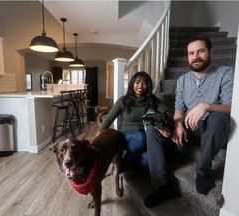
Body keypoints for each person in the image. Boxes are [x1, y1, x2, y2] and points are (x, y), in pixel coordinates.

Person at [97, 71, 175, 207]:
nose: (141, 86)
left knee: (148, 161)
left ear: (148, 85)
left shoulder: (152, 100)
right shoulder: (123, 100)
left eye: (144, 83)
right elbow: (109, 118)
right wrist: (99, 134)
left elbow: (167, 112)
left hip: (145, 138)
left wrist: (174, 117)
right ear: (132, 84)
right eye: (137, 82)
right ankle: (125, 163)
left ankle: (127, 162)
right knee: (140, 137)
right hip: (125, 136)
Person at [172, 36, 234, 195]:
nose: (195, 56)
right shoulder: (182, 80)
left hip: (213, 128)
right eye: (191, 53)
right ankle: (161, 180)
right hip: (189, 130)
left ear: (210, 52)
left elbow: (231, 107)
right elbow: (179, 108)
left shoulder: (225, 73)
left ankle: (202, 171)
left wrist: (205, 106)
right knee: (153, 128)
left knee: (219, 118)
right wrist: (178, 125)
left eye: (201, 51)